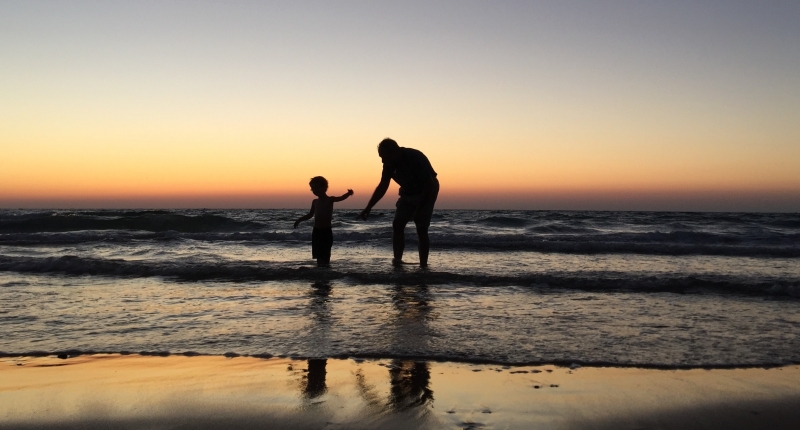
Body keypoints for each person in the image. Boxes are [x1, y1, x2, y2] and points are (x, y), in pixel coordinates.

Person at [359, 138, 439, 267]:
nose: (383, 161)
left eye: (385, 157)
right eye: (381, 157)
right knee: (397, 224)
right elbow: (383, 185)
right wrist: (368, 207)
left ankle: (423, 265)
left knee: (421, 227)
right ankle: (397, 261)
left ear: (395, 152)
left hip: (427, 190)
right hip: (407, 191)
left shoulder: (414, 157)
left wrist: (419, 210)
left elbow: (428, 184)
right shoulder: (388, 164)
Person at [294, 176, 353, 266]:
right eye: (313, 188)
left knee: (326, 253)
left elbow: (341, 198)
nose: (315, 190)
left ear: (325, 188)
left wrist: (348, 194)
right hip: (316, 231)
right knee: (318, 255)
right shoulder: (315, 202)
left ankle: (326, 272)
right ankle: (320, 273)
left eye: (317, 187)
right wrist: (299, 220)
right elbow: (310, 215)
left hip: (326, 231)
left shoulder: (330, 200)